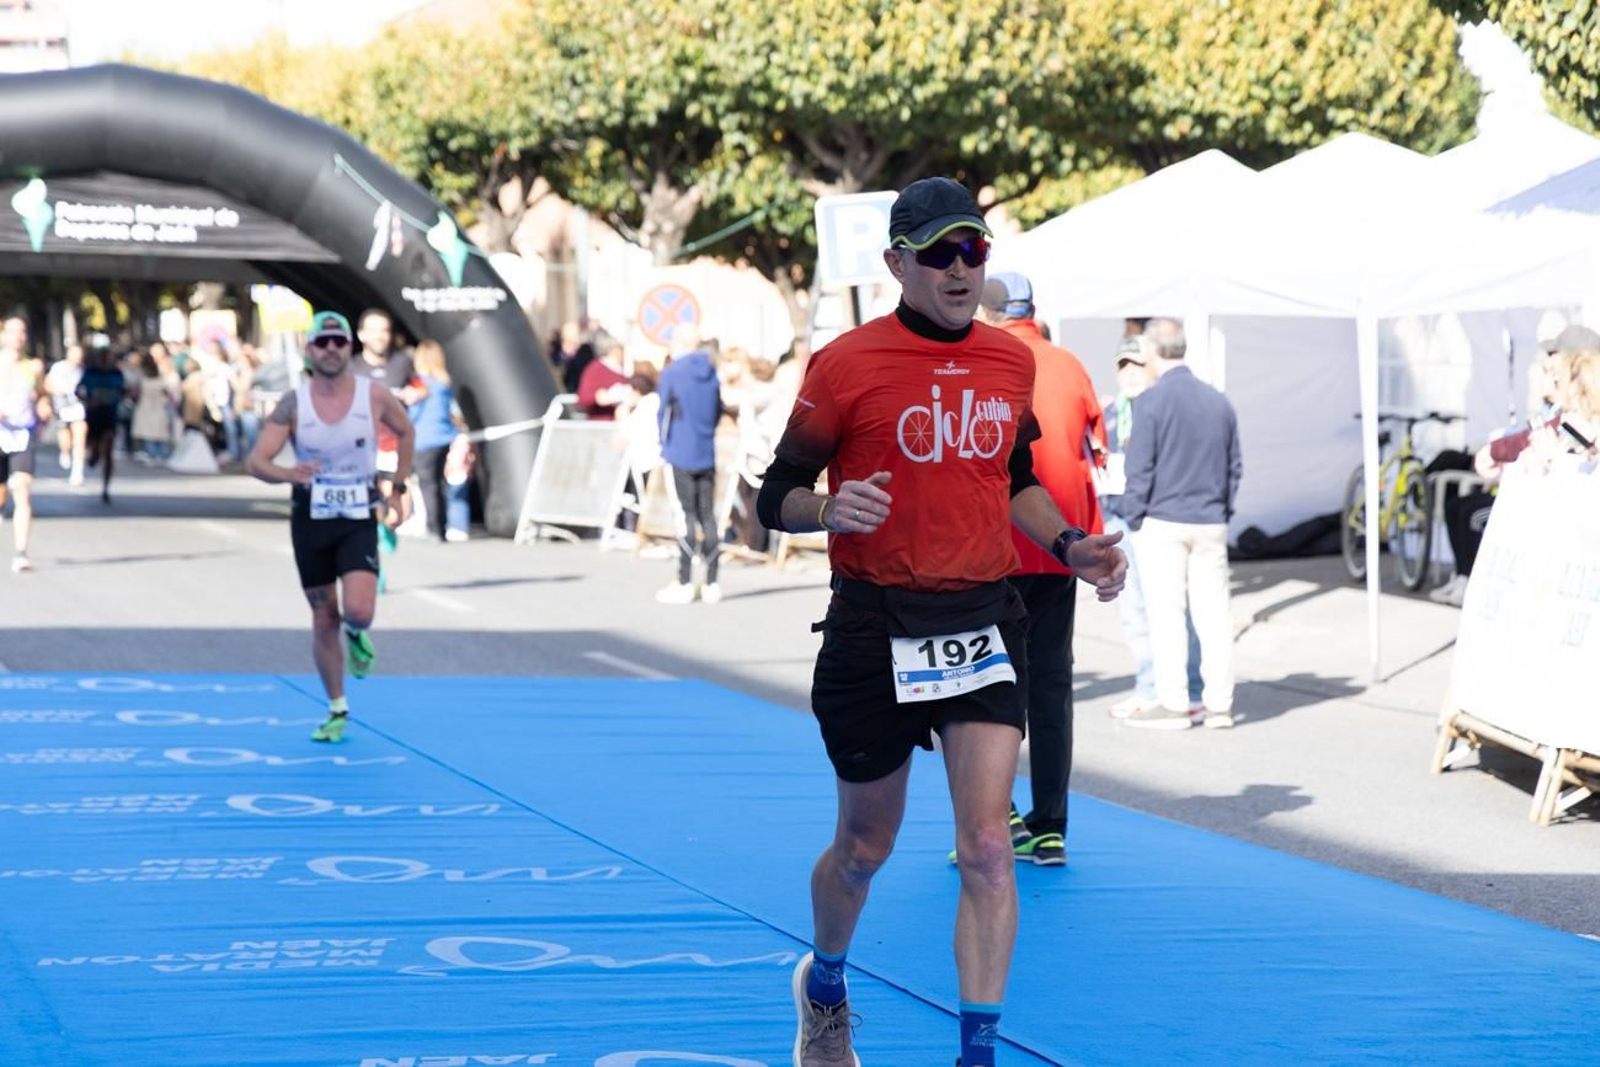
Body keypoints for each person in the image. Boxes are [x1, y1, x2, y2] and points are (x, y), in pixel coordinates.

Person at [755, 177, 1127, 1066]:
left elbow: (1014, 482)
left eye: (976, 250)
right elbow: (773, 496)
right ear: (897, 262)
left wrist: (1071, 544)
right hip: (875, 625)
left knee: (992, 848)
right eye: (941, 251)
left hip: (980, 619)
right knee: (863, 847)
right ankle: (827, 985)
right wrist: (826, 510)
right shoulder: (845, 364)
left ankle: (977, 1052)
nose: (962, 268)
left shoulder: (1009, 361)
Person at [970, 270, 1105, 868]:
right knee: (1052, 686)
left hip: (997, 546)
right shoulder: (1070, 363)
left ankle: (992, 825)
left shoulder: (984, 359)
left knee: (991, 691)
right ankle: (1050, 827)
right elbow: (1095, 442)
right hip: (1061, 544)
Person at [246, 310, 414, 743]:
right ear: (310, 350)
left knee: (357, 609)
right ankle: (337, 707)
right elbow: (257, 461)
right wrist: (289, 474)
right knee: (323, 616)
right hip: (311, 515)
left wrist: (397, 489)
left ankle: (357, 633)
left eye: (340, 342)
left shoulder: (372, 395)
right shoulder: (293, 402)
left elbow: (406, 430)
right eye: (324, 342)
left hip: (358, 511)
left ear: (350, 348)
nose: (333, 349)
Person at [1120, 318, 1242, 730]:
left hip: (1164, 520)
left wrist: (1134, 518)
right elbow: (1234, 466)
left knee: (1167, 612)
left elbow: (1140, 468)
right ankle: (1220, 704)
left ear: (1153, 352)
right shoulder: (1217, 400)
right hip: (1209, 519)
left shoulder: (1152, 402)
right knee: (1214, 614)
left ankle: (1174, 703)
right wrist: (1223, 509)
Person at [1100, 335, 1204, 716]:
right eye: (1122, 365)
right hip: (1119, 516)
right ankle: (1149, 685)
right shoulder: (1109, 413)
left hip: (1157, 519)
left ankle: (1190, 685)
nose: (1129, 373)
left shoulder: (1162, 407)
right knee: (1134, 610)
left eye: (1136, 364)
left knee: (1174, 606)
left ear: (1152, 367)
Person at [655, 326, 724, 604]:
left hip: (680, 451)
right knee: (708, 516)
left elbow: (663, 415)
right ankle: (712, 582)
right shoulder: (712, 374)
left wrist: (663, 447)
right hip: (706, 451)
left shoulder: (672, 373)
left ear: (680, 344)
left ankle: (684, 581)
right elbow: (717, 411)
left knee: (684, 516)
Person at [355, 308, 422, 587]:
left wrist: (416, 393)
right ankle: (374, 568)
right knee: (369, 509)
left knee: (399, 512)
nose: (380, 336)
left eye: (384, 330)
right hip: (362, 448)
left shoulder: (402, 363)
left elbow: (421, 386)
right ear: (361, 335)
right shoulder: (352, 367)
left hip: (396, 447)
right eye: (374, 330)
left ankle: (388, 528)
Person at [0, 315, 47, 573]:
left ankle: (21, 552)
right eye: (13, 331)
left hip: (22, 434)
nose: (18, 337)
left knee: (22, 487)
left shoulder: (34, 367)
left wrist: (43, 405)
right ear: (4, 335)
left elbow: (42, 395)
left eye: (22, 332)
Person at [408, 339, 462, 542]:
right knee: (439, 484)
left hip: (424, 439)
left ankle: (433, 528)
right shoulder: (444, 383)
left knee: (427, 485)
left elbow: (413, 414)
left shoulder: (420, 385)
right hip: (443, 437)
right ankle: (442, 525)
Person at [76, 345, 127, 504]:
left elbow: (123, 390)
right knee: (96, 447)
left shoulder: (116, 373)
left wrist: (122, 396)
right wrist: (87, 401)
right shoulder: (90, 372)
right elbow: (78, 390)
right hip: (94, 414)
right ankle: (94, 454)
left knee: (109, 449)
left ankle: (106, 486)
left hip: (110, 415)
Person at [46, 344, 87, 486]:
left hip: (79, 407)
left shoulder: (83, 370)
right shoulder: (58, 367)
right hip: (62, 407)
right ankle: (65, 451)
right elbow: (48, 384)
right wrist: (58, 391)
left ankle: (77, 472)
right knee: (65, 440)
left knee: (80, 437)